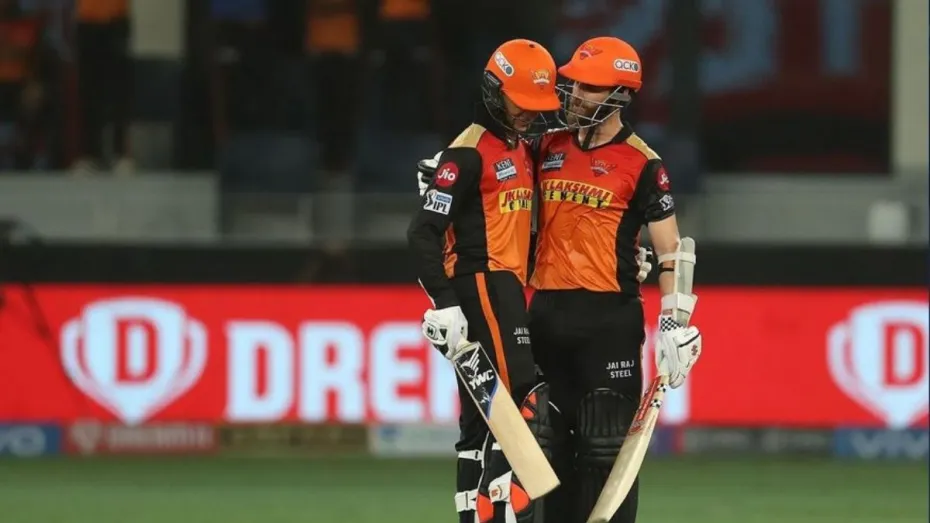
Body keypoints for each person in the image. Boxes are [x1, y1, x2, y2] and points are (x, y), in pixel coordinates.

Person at [416, 36, 703, 523]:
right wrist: (443, 175)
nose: (573, 94)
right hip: (545, 316)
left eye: (588, 87)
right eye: (574, 83)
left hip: (609, 323)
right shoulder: (545, 146)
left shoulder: (643, 163)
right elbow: (494, 187)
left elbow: (672, 249)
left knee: (603, 447)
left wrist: (676, 323)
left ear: (619, 95)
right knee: (542, 450)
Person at [407, 38, 561, 523]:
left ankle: (476, 516)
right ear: (495, 91)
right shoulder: (468, 153)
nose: (528, 113)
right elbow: (422, 232)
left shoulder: (520, 148)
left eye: (536, 104)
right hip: (482, 284)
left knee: (480, 419)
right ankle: (504, 511)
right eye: (521, 102)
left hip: (504, 285)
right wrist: (445, 303)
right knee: (522, 402)